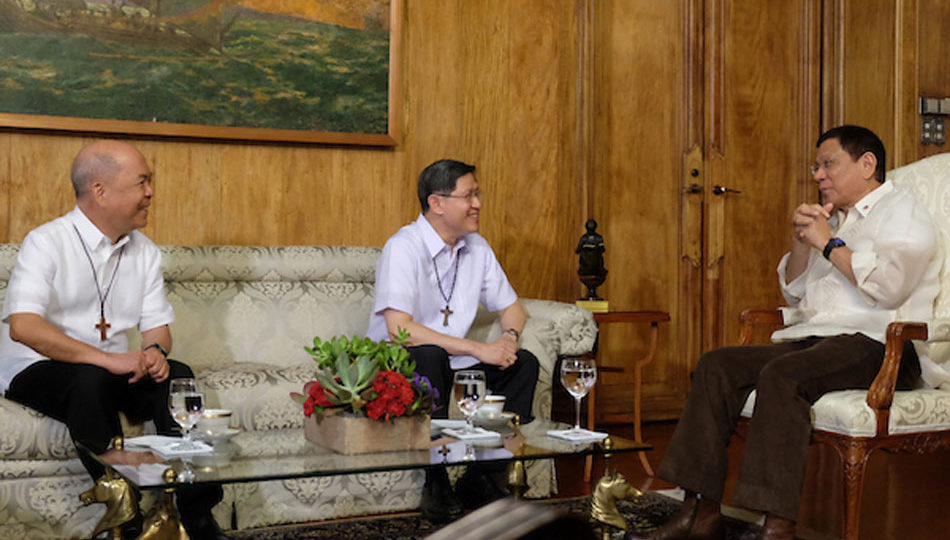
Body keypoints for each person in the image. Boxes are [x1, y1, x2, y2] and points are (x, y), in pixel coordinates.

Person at [636, 126, 940, 540]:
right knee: (717, 365)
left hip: (883, 346)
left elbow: (890, 287)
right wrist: (803, 242)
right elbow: (795, 292)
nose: (818, 174)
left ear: (867, 164)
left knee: (783, 375)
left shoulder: (904, 211)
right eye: (816, 166)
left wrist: (828, 243)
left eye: (828, 164)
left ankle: (776, 527)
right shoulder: (838, 219)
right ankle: (698, 511)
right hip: (820, 339)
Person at [0, 140, 225, 540]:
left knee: (177, 374)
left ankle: (197, 515)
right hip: (36, 367)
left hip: (110, 372)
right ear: (100, 190)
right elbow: (24, 327)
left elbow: (158, 329)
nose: (151, 193)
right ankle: (125, 513)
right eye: (142, 182)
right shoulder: (46, 241)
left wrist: (154, 352)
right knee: (88, 380)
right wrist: (107, 359)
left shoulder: (146, 252)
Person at [368, 158, 540, 522]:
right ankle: (436, 481)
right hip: (403, 363)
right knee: (429, 355)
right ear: (437, 203)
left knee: (524, 363)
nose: (477, 204)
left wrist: (508, 340)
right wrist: (480, 349)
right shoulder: (403, 246)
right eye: (468, 196)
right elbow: (400, 330)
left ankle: (480, 476)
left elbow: (512, 308)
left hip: (454, 360)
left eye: (478, 194)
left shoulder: (477, 247)